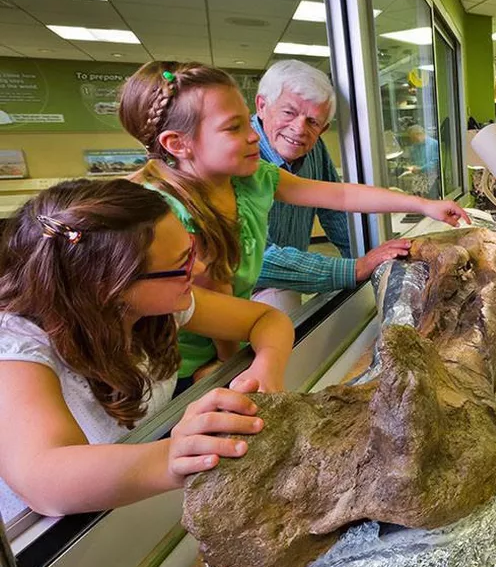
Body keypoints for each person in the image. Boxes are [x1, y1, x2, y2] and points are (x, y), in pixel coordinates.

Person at [119, 61, 469, 383]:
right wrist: (224, 372)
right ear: (178, 144)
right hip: (169, 370)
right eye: (234, 127)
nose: (254, 135)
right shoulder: (166, 216)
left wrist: (423, 204)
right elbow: (215, 307)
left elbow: (340, 197)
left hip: (225, 340)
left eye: (246, 121)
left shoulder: (253, 177)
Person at [0, 179, 294, 523]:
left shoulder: (154, 302)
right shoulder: (18, 345)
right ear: (111, 285)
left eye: (192, 249)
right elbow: (43, 482)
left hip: (127, 498)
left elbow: (266, 319)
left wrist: (266, 368)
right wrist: (171, 458)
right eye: (183, 262)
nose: (198, 270)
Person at [251, 60, 415, 312]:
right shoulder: (240, 156)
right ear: (262, 106)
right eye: (289, 112)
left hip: (284, 283)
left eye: (313, 122)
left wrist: (378, 265)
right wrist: (357, 267)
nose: (299, 129)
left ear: (324, 128)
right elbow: (258, 261)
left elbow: (337, 213)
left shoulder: (313, 149)